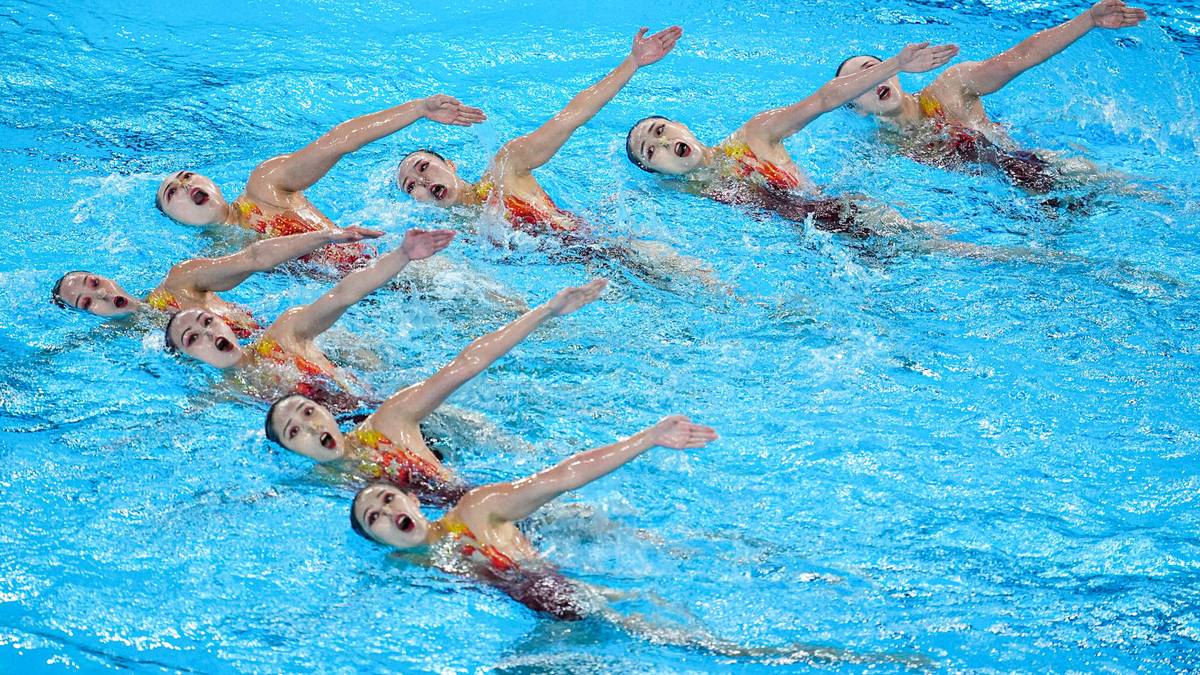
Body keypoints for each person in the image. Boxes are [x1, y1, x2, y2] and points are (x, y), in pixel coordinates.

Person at [263, 279, 608, 506]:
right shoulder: (316, 485)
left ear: (325, 413)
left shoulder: (388, 423)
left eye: (308, 413)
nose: (310, 428)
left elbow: (466, 364)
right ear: (291, 451)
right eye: (294, 432)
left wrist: (545, 311)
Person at [349, 415, 717, 619]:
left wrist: (647, 437)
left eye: (387, 499)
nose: (388, 511)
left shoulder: (475, 511)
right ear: (378, 542)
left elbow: (561, 477)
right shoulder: (411, 571)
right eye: (374, 518)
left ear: (413, 501)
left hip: (591, 604)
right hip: (556, 621)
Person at [625, 42, 958, 237]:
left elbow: (823, 101)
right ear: (660, 173)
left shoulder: (753, 136)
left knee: (958, 252)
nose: (665, 144)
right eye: (651, 152)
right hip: (814, 251)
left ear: (682, 126)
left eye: (661, 131)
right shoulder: (678, 194)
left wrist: (895, 64)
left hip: (852, 218)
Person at [835, 0, 1147, 192]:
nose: (869, 82)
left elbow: (1017, 58)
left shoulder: (949, 88)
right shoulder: (882, 147)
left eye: (871, 70)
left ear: (894, 72)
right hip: (1010, 210)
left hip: (1052, 171)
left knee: (1144, 194)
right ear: (856, 108)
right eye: (857, 84)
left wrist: (1088, 20)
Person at [397, 27, 680, 236]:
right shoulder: (450, 238)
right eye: (410, 187)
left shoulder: (506, 168)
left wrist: (631, 63)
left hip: (609, 248)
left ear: (451, 165)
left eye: (424, 167)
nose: (421, 181)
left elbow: (572, 116)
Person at [155, 96, 484, 269]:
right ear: (175, 220)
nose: (185, 186)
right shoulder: (215, 261)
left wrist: (418, 109)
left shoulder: (265, 186)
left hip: (386, 265)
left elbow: (338, 142)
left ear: (211, 183)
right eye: (173, 193)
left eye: (187, 177)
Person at [164, 228, 454, 410]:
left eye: (207, 322)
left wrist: (401, 255)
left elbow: (342, 295)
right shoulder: (221, 394)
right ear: (187, 359)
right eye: (192, 338)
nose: (207, 333)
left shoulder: (283, 335)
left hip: (382, 411)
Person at [51, 228, 381, 336]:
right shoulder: (123, 344)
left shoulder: (178, 285)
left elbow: (254, 258)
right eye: (86, 302)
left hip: (293, 342)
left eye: (94, 283)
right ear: (87, 318)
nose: (101, 295)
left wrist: (328, 237)